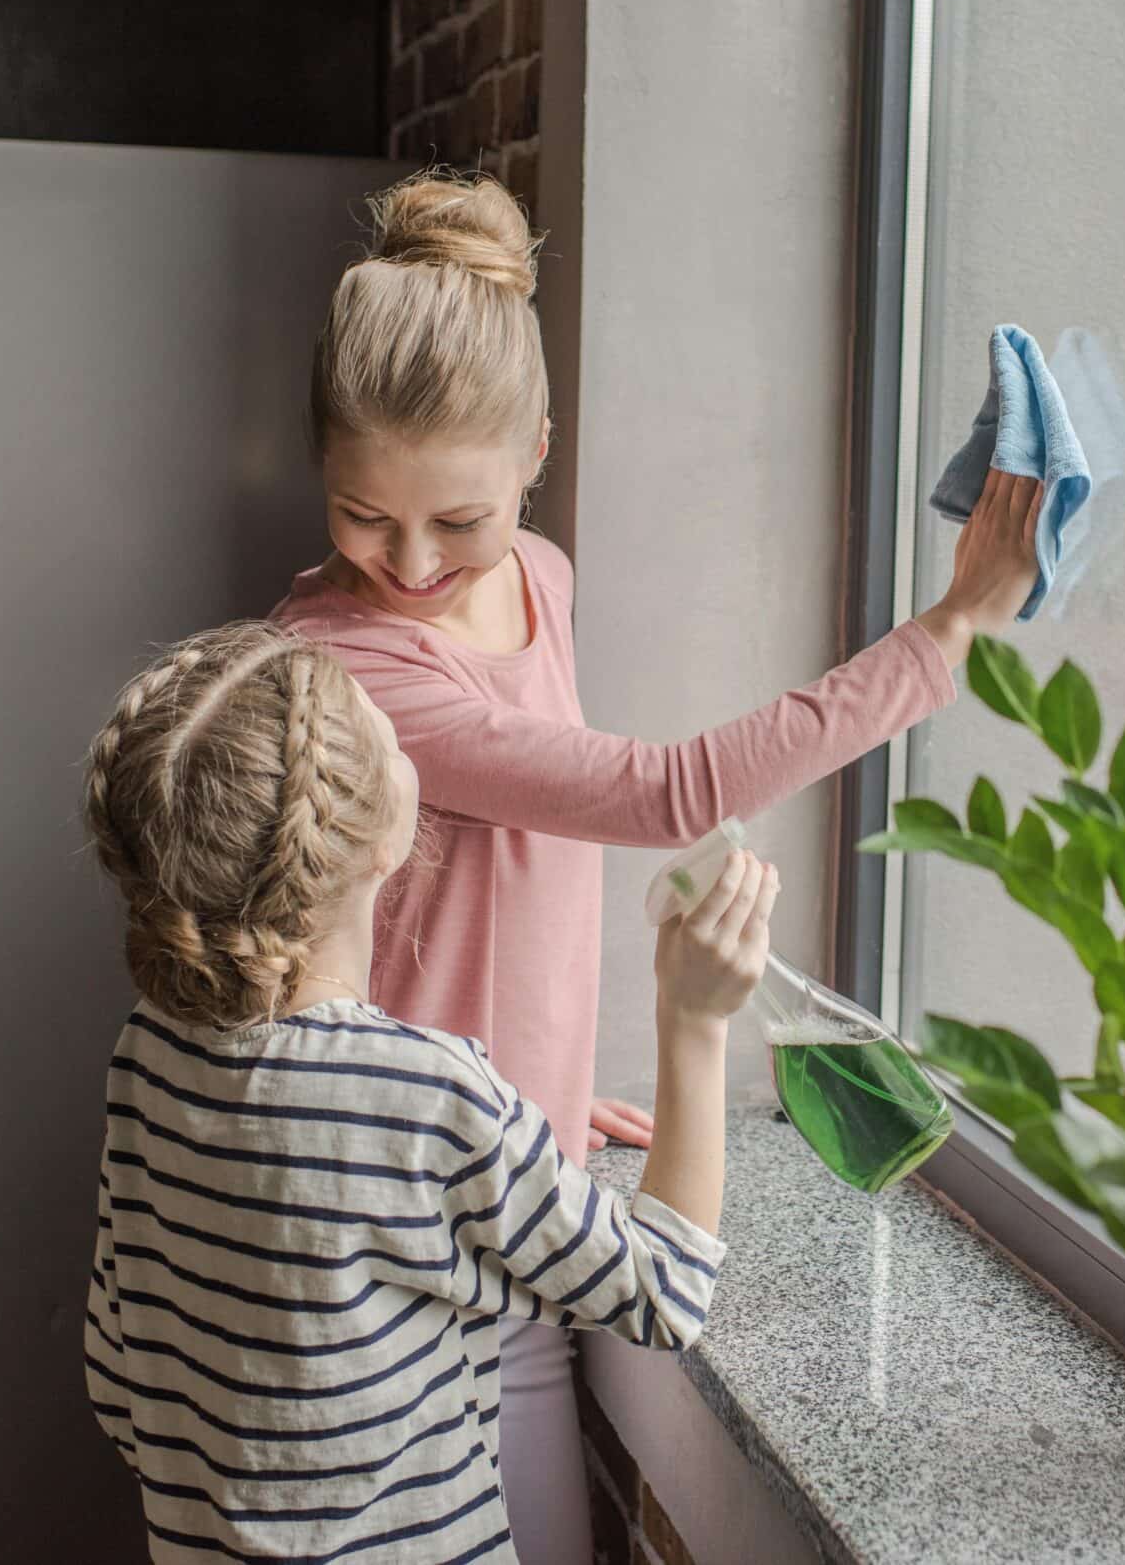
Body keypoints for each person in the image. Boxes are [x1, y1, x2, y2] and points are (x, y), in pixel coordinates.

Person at [271, 171, 1042, 1561]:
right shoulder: (344, 657)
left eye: (459, 520)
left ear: (537, 457)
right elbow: (661, 794)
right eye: (361, 514)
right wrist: (948, 632)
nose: (410, 562)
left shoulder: (544, 579)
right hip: (400, 1229)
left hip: (507, 1181)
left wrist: (559, 1081)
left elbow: (497, 874)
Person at [80, 621, 779, 1564]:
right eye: (386, 729)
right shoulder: (428, 1096)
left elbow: (119, 1379)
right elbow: (664, 1289)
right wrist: (693, 1020)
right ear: (376, 842)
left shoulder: (147, 1054)